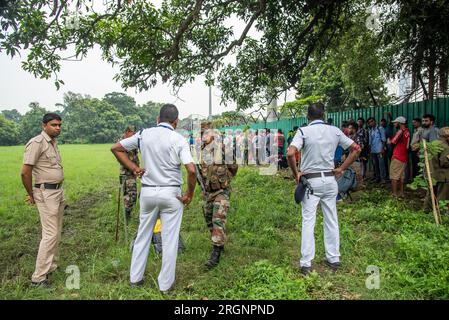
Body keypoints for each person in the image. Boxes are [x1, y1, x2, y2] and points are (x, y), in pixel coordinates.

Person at [111, 104, 196, 293]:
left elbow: (116, 148)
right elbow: (191, 169)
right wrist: (189, 194)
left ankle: (135, 278)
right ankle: (165, 286)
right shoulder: (179, 139)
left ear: (158, 119)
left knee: (143, 234)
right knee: (169, 239)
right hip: (171, 193)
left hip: (148, 192)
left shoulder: (143, 134)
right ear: (176, 122)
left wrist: (133, 168)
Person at [287, 103, 360, 276]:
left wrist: (296, 173)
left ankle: (306, 263)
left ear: (308, 116)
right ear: (324, 115)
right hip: (330, 180)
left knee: (308, 220)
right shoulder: (334, 130)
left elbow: (290, 153)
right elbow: (356, 149)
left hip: (311, 181)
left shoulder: (303, 131)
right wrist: (342, 168)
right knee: (331, 218)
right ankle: (334, 258)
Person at [21, 113, 65, 288]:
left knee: (57, 231)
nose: (58, 128)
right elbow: (25, 172)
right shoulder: (36, 143)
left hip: (57, 192)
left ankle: (51, 266)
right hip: (45, 193)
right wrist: (31, 194)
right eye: (54, 125)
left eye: (59, 125)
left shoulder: (53, 143)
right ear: (44, 125)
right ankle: (38, 278)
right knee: (50, 234)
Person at [198, 122, 238, 268]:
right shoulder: (201, 151)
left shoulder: (223, 149)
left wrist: (225, 180)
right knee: (209, 218)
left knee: (218, 220)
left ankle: (216, 253)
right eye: (202, 133)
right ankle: (219, 242)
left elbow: (234, 167)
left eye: (206, 133)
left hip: (222, 191)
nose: (203, 136)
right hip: (209, 192)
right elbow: (200, 174)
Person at [424, 127, 449, 212]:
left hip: (431, 174)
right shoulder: (445, 147)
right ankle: (440, 214)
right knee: (442, 196)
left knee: (430, 194)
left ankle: (427, 211)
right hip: (442, 176)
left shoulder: (433, 143)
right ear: (447, 137)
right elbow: (445, 163)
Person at [118, 125, 139, 223]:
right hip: (126, 172)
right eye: (132, 132)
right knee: (131, 194)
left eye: (135, 133)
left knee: (130, 195)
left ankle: (127, 215)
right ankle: (127, 217)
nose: (134, 134)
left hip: (132, 172)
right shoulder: (122, 143)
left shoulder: (131, 141)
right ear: (127, 132)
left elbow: (135, 157)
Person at [387, 116, 410, 199]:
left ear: (400, 123)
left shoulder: (400, 131)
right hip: (404, 156)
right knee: (401, 176)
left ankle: (394, 194)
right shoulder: (407, 131)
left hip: (397, 156)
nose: (394, 124)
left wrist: (389, 141)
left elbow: (392, 142)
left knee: (394, 176)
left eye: (395, 123)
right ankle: (401, 193)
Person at [367, 117, 387, 183]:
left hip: (380, 150)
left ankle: (383, 179)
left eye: (372, 121)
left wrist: (383, 148)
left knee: (381, 165)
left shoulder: (380, 129)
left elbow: (384, 139)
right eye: (369, 122)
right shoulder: (370, 131)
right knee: (375, 165)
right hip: (373, 150)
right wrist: (370, 151)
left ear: (375, 121)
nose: (371, 123)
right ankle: (377, 178)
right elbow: (370, 142)